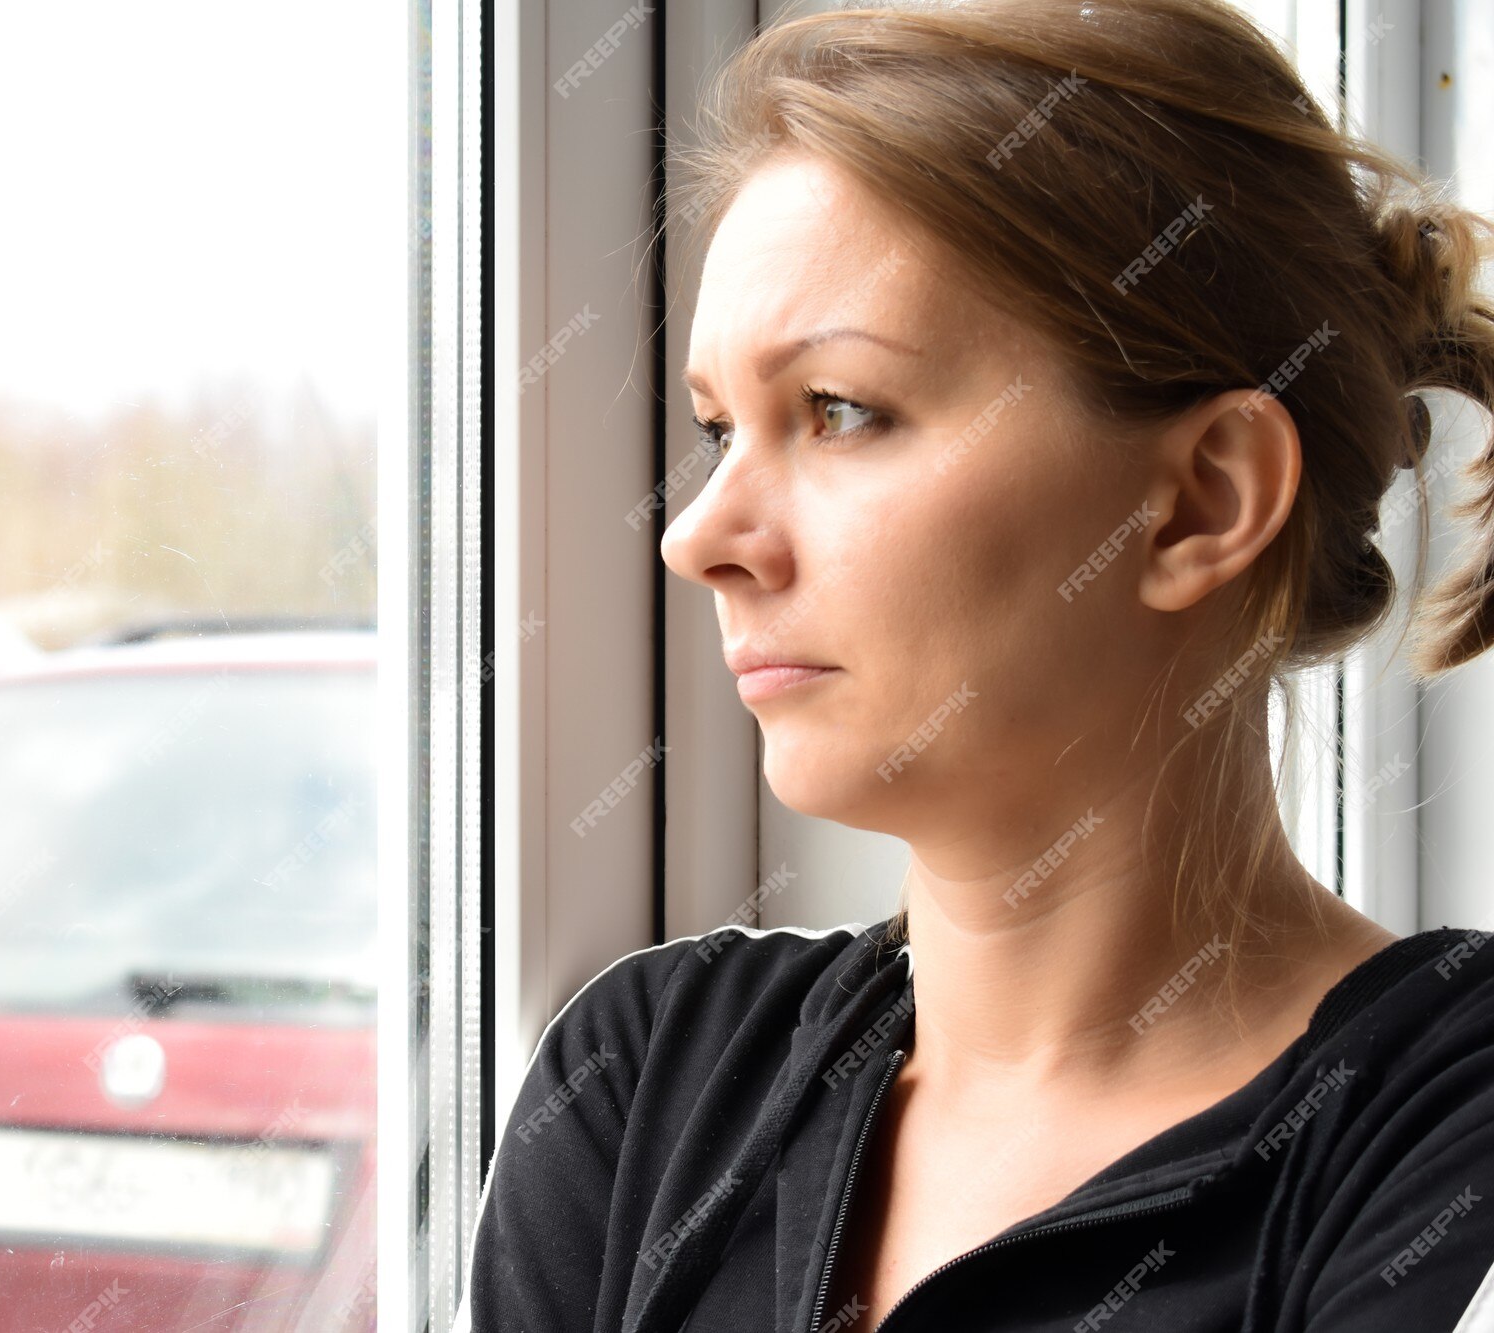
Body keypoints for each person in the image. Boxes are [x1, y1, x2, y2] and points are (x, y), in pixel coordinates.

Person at [462, 0, 1494, 1329]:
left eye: (837, 411)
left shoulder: (1442, 1140)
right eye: (719, 425)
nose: (696, 535)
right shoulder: (646, 1081)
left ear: (1201, 501)